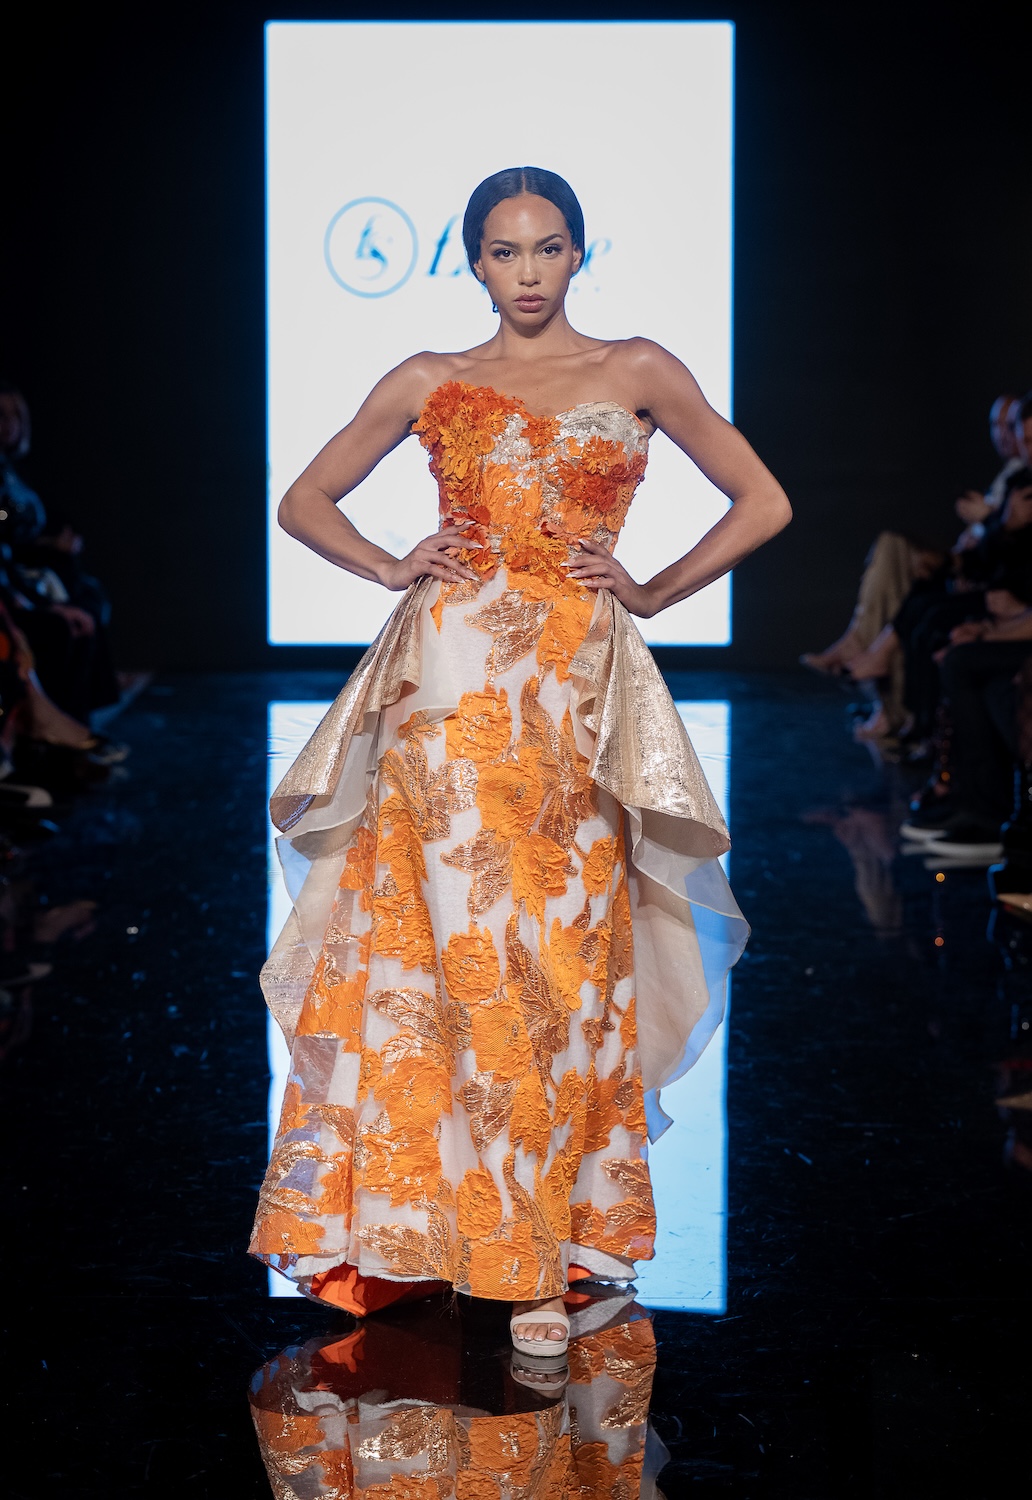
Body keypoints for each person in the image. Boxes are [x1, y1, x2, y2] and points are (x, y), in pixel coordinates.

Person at [250, 167, 791, 1359]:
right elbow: (304, 499)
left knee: (559, 956)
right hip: (443, 693)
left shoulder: (639, 368)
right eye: (505, 251)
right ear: (475, 263)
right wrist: (388, 564)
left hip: (574, 691)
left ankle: (544, 1244)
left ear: (579, 254)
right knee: (438, 957)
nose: (529, 271)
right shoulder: (430, 378)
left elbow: (763, 501)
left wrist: (654, 590)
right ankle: (438, 1234)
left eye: (548, 247)